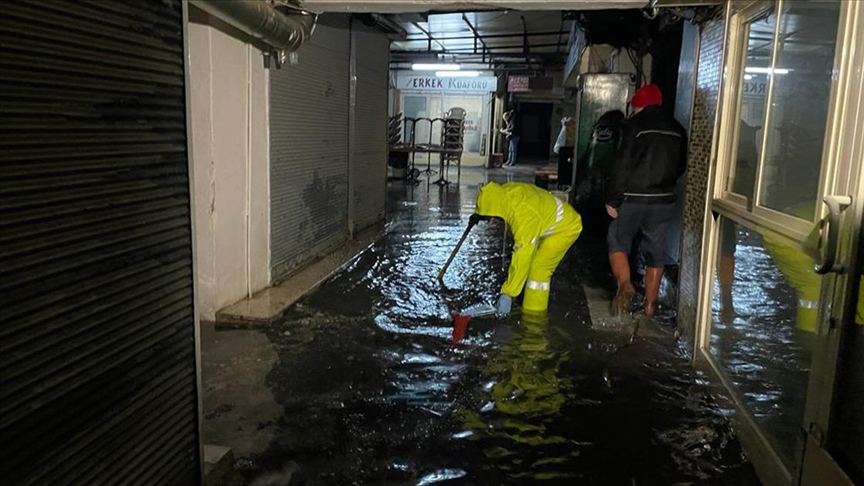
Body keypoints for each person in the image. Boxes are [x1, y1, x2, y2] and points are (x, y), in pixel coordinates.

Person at [605, 84, 687, 318]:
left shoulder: (632, 126)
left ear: (638, 105)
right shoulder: (678, 129)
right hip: (663, 200)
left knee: (617, 240)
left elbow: (622, 166)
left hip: (632, 198)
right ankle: (650, 306)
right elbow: (681, 165)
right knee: (656, 251)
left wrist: (612, 199)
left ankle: (625, 285)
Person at [474, 182, 583, 317]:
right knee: (528, 259)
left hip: (566, 228)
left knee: (539, 268)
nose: (491, 221)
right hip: (547, 221)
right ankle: (523, 299)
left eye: (491, 217)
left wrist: (508, 293)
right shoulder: (505, 195)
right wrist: (478, 215)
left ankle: (533, 315)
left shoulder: (523, 217)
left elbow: (523, 255)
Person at [553, 116, 576, 185]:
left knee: (566, 168)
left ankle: (563, 183)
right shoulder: (567, 129)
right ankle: (564, 183)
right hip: (566, 148)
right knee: (565, 168)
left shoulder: (567, 129)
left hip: (567, 148)